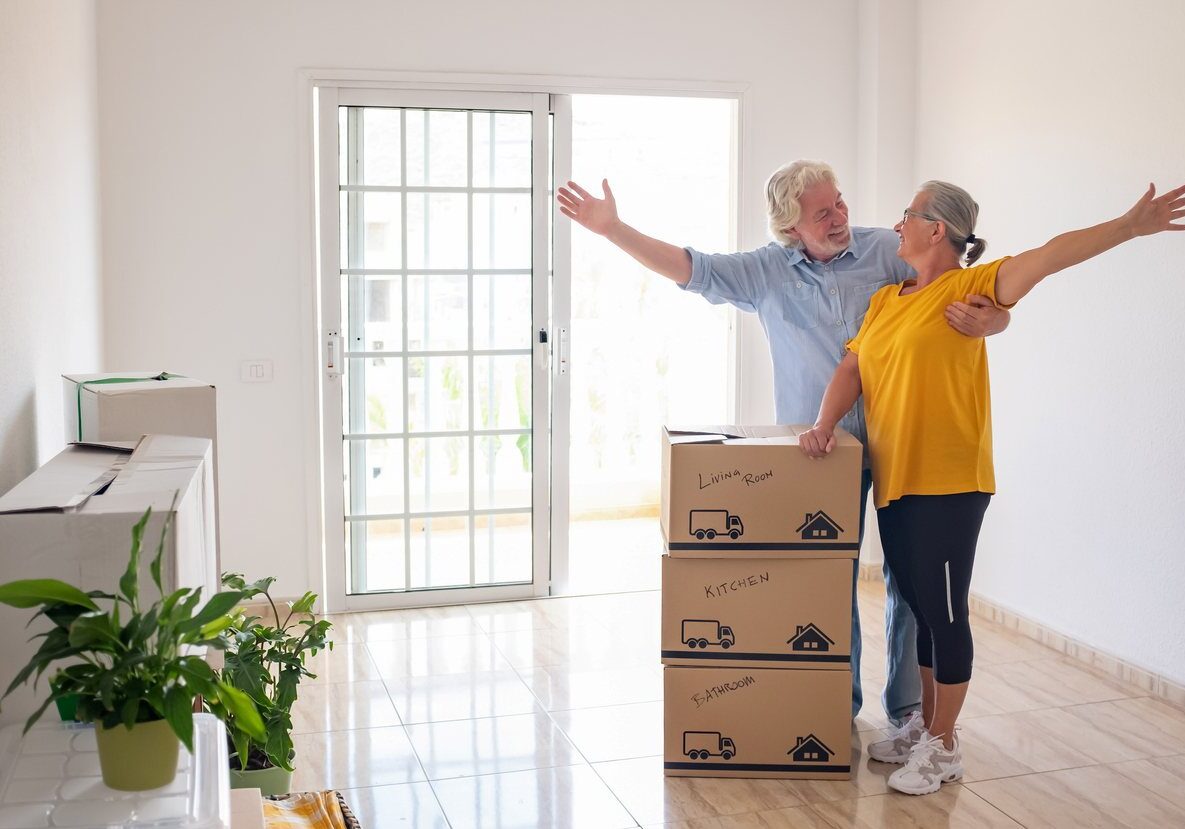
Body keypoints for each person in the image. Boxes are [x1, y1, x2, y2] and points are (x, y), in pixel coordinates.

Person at [556, 161, 1012, 726]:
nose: (839, 217)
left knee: (910, 583)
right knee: (830, 580)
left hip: (902, 441)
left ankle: (909, 713)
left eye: (839, 202)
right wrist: (613, 230)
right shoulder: (765, 271)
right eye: (822, 213)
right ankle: (838, 711)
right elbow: (691, 268)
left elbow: (963, 282)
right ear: (791, 226)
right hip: (822, 451)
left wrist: (996, 322)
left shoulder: (886, 249)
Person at [799, 178, 1185, 795]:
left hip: (950, 481)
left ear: (937, 230)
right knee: (920, 609)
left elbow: (1049, 256)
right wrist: (823, 424)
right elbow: (854, 367)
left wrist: (1127, 226)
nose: (897, 224)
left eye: (907, 215)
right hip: (896, 479)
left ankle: (946, 746)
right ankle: (926, 726)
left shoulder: (971, 288)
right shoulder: (887, 300)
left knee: (946, 613)